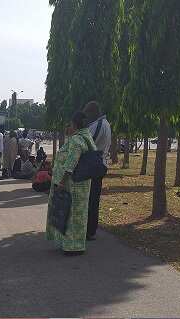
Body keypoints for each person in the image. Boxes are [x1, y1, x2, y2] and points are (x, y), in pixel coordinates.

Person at [46, 111, 97, 256]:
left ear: (75, 125)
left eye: (70, 124)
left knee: (69, 214)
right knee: (78, 214)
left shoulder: (76, 140)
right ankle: (74, 244)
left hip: (72, 184)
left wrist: (61, 182)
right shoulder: (86, 137)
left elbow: (71, 163)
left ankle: (72, 246)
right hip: (82, 184)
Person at [83, 101, 112, 241]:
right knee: (93, 199)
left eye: (87, 114)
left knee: (90, 199)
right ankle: (90, 229)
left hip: (94, 165)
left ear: (93, 113)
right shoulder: (104, 124)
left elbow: (87, 144)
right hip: (99, 164)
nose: (86, 118)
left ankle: (89, 230)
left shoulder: (98, 125)